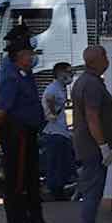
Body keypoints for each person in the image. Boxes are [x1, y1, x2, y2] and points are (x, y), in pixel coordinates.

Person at [0, 25, 65, 223]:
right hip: (17, 134)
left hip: (28, 133)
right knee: (18, 182)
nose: (32, 57)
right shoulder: (11, 76)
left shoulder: (25, 73)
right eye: (29, 53)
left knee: (31, 181)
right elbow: (3, 108)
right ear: (19, 55)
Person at [71, 46, 112, 223]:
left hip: (88, 144)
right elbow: (92, 117)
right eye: (104, 55)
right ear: (95, 60)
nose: (107, 59)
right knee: (93, 190)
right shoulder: (90, 84)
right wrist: (103, 146)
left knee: (93, 189)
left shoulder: (87, 81)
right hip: (92, 147)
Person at [41, 62, 76, 200]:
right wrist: (52, 114)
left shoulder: (60, 88)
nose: (71, 74)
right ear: (60, 74)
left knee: (62, 163)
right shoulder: (53, 89)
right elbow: (49, 101)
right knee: (56, 163)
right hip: (54, 132)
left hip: (60, 131)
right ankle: (55, 192)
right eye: (68, 71)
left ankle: (59, 189)